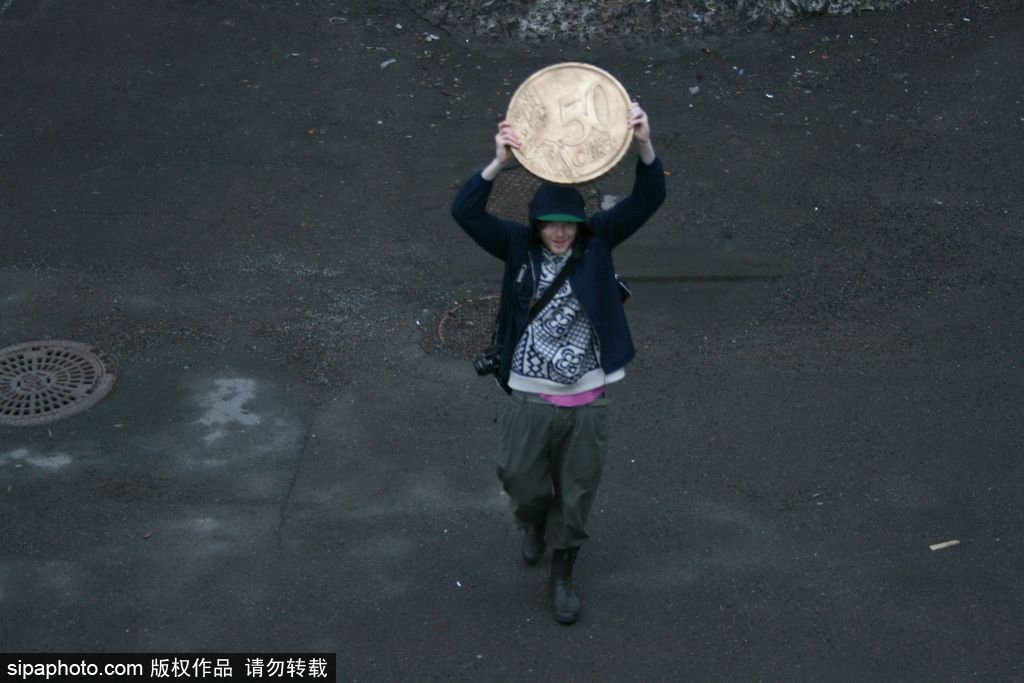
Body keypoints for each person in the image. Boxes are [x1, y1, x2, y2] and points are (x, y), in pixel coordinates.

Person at [450, 101, 666, 624]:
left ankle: (564, 571)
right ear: (538, 223)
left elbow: (649, 196)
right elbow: (465, 212)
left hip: (586, 400)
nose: (561, 234)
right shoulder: (517, 247)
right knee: (519, 478)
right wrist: (497, 162)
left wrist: (643, 142)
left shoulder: (597, 244)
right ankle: (533, 520)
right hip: (527, 394)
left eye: (570, 225)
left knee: (578, 492)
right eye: (552, 225)